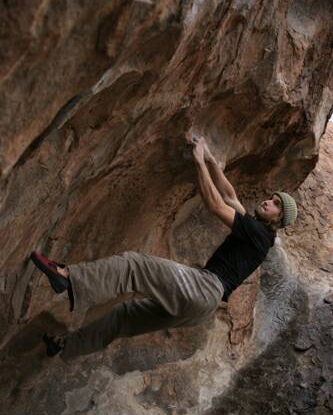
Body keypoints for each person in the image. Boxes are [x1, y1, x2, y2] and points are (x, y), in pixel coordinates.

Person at [31, 135, 297, 359]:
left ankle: (67, 277)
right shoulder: (258, 233)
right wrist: (210, 159)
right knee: (125, 316)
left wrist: (198, 163)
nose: (268, 202)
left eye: (275, 204)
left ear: (279, 220)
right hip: (201, 309)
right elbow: (229, 195)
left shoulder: (260, 234)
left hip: (204, 288)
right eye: (271, 198)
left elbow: (216, 204)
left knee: (132, 266)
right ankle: (66, 346)